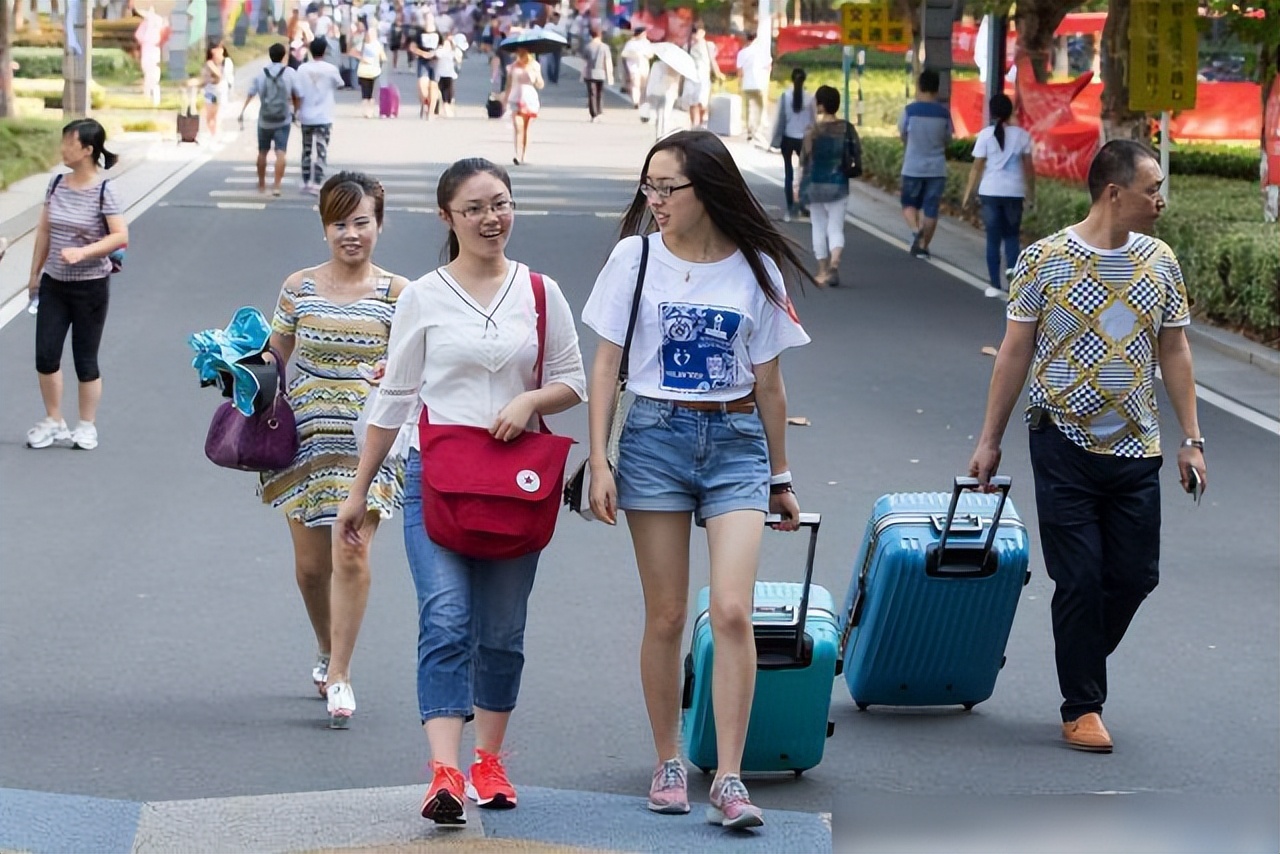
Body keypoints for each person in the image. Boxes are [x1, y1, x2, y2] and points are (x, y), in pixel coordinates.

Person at [337, 158, 586, 824]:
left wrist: (529, 398)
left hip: (515, 486)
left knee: (502, 632)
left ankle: (489, 759)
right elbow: (394, 396)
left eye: (500, 204)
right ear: (448, 218)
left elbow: (574, 380)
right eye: (473, 208)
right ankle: (444, 771)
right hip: (435, 478)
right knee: (446, 618)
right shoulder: (424, 294)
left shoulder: (540, 291)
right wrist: (359, 490)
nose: (490, 219)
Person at [581, 130, 811, 829]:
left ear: (705, 189)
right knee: (669, 614)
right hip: (653, 438)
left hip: (737, 441)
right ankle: (669, 760)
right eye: (648, 187)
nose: (654, 201)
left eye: (667, 188)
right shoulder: (636, 257)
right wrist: (600, 460)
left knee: (734, 610)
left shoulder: (757, 267)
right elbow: (605, 364)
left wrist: (781, 476)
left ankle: (733, 778)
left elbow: (771, 383)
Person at [968, 140, 1206, 755]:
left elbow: (1174, 349)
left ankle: (1077, 652)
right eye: (1152, 188)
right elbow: (1015, 351)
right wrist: (989, 440)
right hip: (1061, 440)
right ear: (1114, 193)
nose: (1161, 199)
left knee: (1135, 577)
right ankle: (1083, 705)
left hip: (1137, 446)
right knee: (1077, 580)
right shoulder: (1044, 259)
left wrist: (1192, 438)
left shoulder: (1161, 261)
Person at [261, 172, 408, 729]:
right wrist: (240, 368)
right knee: (309, 567)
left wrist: (394, 369)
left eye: (362, 222)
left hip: (369, 438)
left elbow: (418, 363)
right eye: (340, 223)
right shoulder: (297, 286)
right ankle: (327, 645)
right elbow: (275, 356)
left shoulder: (399, 293)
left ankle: (341, 672)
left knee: (352, 552)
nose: (352, 233)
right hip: (304, 434)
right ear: (325, 226)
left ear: (379, 225)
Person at [24, 119, 128, 452]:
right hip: (54, 283)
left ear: (86, 150)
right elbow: (44, 231)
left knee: (85, 359)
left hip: (90, 286)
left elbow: (120, 236)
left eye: (69, 143)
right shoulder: (56, 185)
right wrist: (34, 274)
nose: (63, 148)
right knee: (46, 355)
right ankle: (54, 420)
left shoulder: (103, 191)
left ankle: (86, 426)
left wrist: (82, 252)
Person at [961, 93, 1036, 298]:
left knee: (993, 239)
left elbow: (976, 168)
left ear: (992, 112)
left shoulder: (985, 135)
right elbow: (1029, 170)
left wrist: (968, 195)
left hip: (990, 193)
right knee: (1012, 237)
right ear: (1010, 111)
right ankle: (1014, 285)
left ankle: (994, 284)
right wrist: (1031, 195)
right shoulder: (1022, 136)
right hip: (1014, 192)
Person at [799, 85, 855, 287]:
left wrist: (799, 187)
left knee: (818, 226)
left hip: (814, 186)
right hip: (839, 185)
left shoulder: (811, 131)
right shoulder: (847, 128)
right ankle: (835, 264)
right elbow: (856, 155)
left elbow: (804, 162)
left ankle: (822, 270)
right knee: (835, 227)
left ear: (820, 105)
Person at [898, 68, 952, 260]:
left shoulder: (909, 111)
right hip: (937, 168)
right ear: (937, 90)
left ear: (919, 87)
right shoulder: (944, 114)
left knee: (908, 203)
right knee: (931, 208)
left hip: (913, 166)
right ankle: (923, 246)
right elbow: (948, 139)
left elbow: (903, 134)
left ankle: (915, 229)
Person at [238, 42, 304, 197]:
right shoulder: (290, 73)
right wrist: (295, 110)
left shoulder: (261, 74)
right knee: (281, 152)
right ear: (284, 56)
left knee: (262, 152)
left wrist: (242, 111)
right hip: (283, 119)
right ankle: (276, 186)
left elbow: (250, 93)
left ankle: (261, 184)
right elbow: (299, 94)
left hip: (264, 119)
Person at [297, 37, 344, 194]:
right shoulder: (330, 69)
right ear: (324, 51)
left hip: (306, 114)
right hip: (324, 115)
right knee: (321, 149)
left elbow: (297, 90)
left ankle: (305, 180)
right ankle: (317, 181)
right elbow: (340, 83)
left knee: (307, 149)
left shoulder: (302, 69)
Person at [770, 67, 815, 222]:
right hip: (804, 140)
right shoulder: (810, 98)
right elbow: (813, 121)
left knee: (789, 172)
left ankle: (790, 206)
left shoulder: (785, 96)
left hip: (787, 139)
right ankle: (803, 203)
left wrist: (775, 140)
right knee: (806, 173)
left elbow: (780, 120)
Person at [503, 47, 544, 165]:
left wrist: (536, 75)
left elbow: (540, 84)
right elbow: (508, 84)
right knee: (518, 127)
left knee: (526, 128)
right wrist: (505, 100)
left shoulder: (535, 66)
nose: (520, 55)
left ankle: (524, 154)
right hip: (516, 98)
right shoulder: (512, 67)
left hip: (529, 99)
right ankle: (517, 154)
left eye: (523, 53)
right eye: (519, 53)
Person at [680, 22, 724, 130]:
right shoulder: (687, 47)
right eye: (694, 33)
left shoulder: (708, 46)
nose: (696, 36)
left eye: (698, 32)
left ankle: (699, 122)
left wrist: (718, 73)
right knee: (693, 103)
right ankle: (694, 125)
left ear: (703, 33)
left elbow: (712, 61)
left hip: (703, 79)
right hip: (690, 79)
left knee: (702, 103)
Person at [735, 31, 771, 142]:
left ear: (746, 38)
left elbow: (740, 71)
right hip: (760, 83)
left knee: (749, 108)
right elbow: (768, 66)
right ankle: (758, 130)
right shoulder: (762, 52)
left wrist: (739, 82)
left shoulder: (742, 53)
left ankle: (750, 130)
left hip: (747, 84)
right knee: (760, 107)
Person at [349, 18, 387, 118]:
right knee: (365, 93)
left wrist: (382, 59)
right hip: (363, 71)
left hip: (375, 71)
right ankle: (366, 111)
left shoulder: (378, 45)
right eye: (368, 34)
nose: (370, 36)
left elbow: (383, 56)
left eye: (372, 34)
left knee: (373, 93)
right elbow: (352, 52)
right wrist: (361, 58)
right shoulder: (362, 44)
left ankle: (371, 110)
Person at [409, 11, 441, 119]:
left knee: (433, 86)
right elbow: (412, 47)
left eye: (430, 19)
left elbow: (444, 45)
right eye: (426, 19)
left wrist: (437, 52)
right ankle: (425, 103)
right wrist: (423, 53)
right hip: (423, 61)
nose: (428, 21)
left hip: (435, 61)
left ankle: (431, 112)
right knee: (422, 86)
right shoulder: (419, 32)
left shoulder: (438, 32)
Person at [582, 25, 614, 122]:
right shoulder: (605, 47)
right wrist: (610, 76)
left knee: (592, 94)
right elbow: (608, 62)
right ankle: (599, 111)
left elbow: (584, 63)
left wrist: (582, 74)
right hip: (601, 73)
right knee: (600, 93)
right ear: (600, 35)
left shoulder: (587, 47)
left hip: (590, 73)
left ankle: (594, 114)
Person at [644, 57, 680, 141]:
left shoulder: (658, 65)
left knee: (661, 115)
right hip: (667, 92)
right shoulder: (676, 66)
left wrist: (649, 93)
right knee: (664, 115)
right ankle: (662, 134)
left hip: (662, 92)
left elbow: (652, 80)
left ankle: (660, 135)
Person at [201, 42, 232, 137]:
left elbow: (221, 77)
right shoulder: (208, 63)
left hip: (221, 92)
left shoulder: (226, 62)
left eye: (219, 49)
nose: (218, 52)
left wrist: (212, 67)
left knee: (218, 117)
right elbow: (204, 78)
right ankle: (213, 134)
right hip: (209, 92)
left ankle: (216, 135)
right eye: (215, 50)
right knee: (209, 117)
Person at [619, 25, 653, 108]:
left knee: (643, 85)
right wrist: (633, 55)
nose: (645, 35)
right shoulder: (631, 43)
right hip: (634, 67)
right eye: (643, 33)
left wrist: (646, 54)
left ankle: (642, 100)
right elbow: (624, 54)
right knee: (635, 84)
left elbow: (651, 54)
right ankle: (636, 102)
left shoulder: (647, 43)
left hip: (644, 67)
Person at [434, 34, 462, 117]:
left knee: (449, 94)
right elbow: (436, 55)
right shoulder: (440, 51)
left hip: (449, 75)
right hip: (440, 75)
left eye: (448, 44)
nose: (446, 46)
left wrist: (455, 51)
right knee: (440, 93)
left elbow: (459, 60)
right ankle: (440, 109)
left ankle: (448, 108)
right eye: (445, 44)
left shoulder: (453, 52)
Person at [541, 8, 566, 84]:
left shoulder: (555, 26)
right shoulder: (549, 26)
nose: (556, 19)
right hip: (553, 45)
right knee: (552, 62)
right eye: (555, 17)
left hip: (555, 45)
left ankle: (554, 77)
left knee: (554, 62)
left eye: (557, 17)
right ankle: (552, 77)